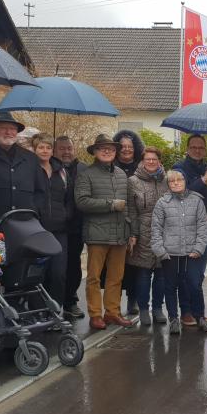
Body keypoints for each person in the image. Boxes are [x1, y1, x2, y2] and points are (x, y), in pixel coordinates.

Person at [75, 134, 134, 330]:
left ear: (115, 151)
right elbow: (82, 202)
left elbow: (129, 206)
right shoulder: (86, 174)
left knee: (116, 277)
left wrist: (131, 231)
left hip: (120, 234)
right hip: (97, 234)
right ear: (95, 152)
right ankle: (95, 315)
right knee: (94, 277)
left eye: (110, 148)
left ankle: (113, 313)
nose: (107, 151)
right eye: (102, 148)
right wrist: (110, 205)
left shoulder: (121, 174)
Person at [152, 170, 207, 334]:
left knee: (194, 284)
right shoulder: (162, 203)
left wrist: (199, 248)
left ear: (185, 181)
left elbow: (202, 226)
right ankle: (173, 319)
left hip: (192, 252)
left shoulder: (197, 201)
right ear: (168, 184)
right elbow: (156, 230)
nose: (176, 183)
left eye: (179, 180)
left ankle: (200, 317)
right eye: (172, 181)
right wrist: (161, 251)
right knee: (170, 287)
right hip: (170, 254)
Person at [172, 134, 207, 326]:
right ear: (187, 148)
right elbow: (182, 193)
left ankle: (197, 311)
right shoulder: (178, 168)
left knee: (198, 274)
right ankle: (187, 312)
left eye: (201, 147)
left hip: (203, 229)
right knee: (186, 275)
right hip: (184, 229)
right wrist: (203, 180)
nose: (197, 150)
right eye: (194, 147)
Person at [127, 147, 169, 325]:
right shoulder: (133, 181)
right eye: (147, 159)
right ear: (142, 161)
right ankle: (144, 309)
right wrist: (133, 233)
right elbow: (131, 210)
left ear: (159, 161)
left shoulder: (167, 181)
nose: (151, 162)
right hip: (143, 232)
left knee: (161, 274)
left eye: (154, 159)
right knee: (144, 273)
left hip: (164, 232)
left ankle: (158, 308)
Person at [31, 133, 71, 314]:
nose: (45, 150)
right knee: (38, 273)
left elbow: (68, 198)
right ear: (35, 149)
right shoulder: (29, 170)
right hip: (36, 230)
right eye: (41, 147)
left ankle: (55, 311)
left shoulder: (61, 170)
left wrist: (66, 216)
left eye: (48, 147)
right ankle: (37, 311)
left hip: (59, 229)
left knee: (59, 273)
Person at [114, 130, 146, 314]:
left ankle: (132, 301)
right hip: (116, 222)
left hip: (137, 221)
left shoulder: (141, 168)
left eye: (130, 147)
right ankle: (114, 304)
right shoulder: (111, 166)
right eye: (123, 146)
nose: (126, 149)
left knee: (135, 265)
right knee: (116, 267)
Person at [54, 136, 86, 319]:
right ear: (55, 150)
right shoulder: (48, 168)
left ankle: (70, 301)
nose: (66, 152)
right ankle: (52, 303)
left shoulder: (83, 169)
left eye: (69, 148)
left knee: (73, 265)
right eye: (62, 149)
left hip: (76, 226)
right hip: (55, 226)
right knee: (55, 268)